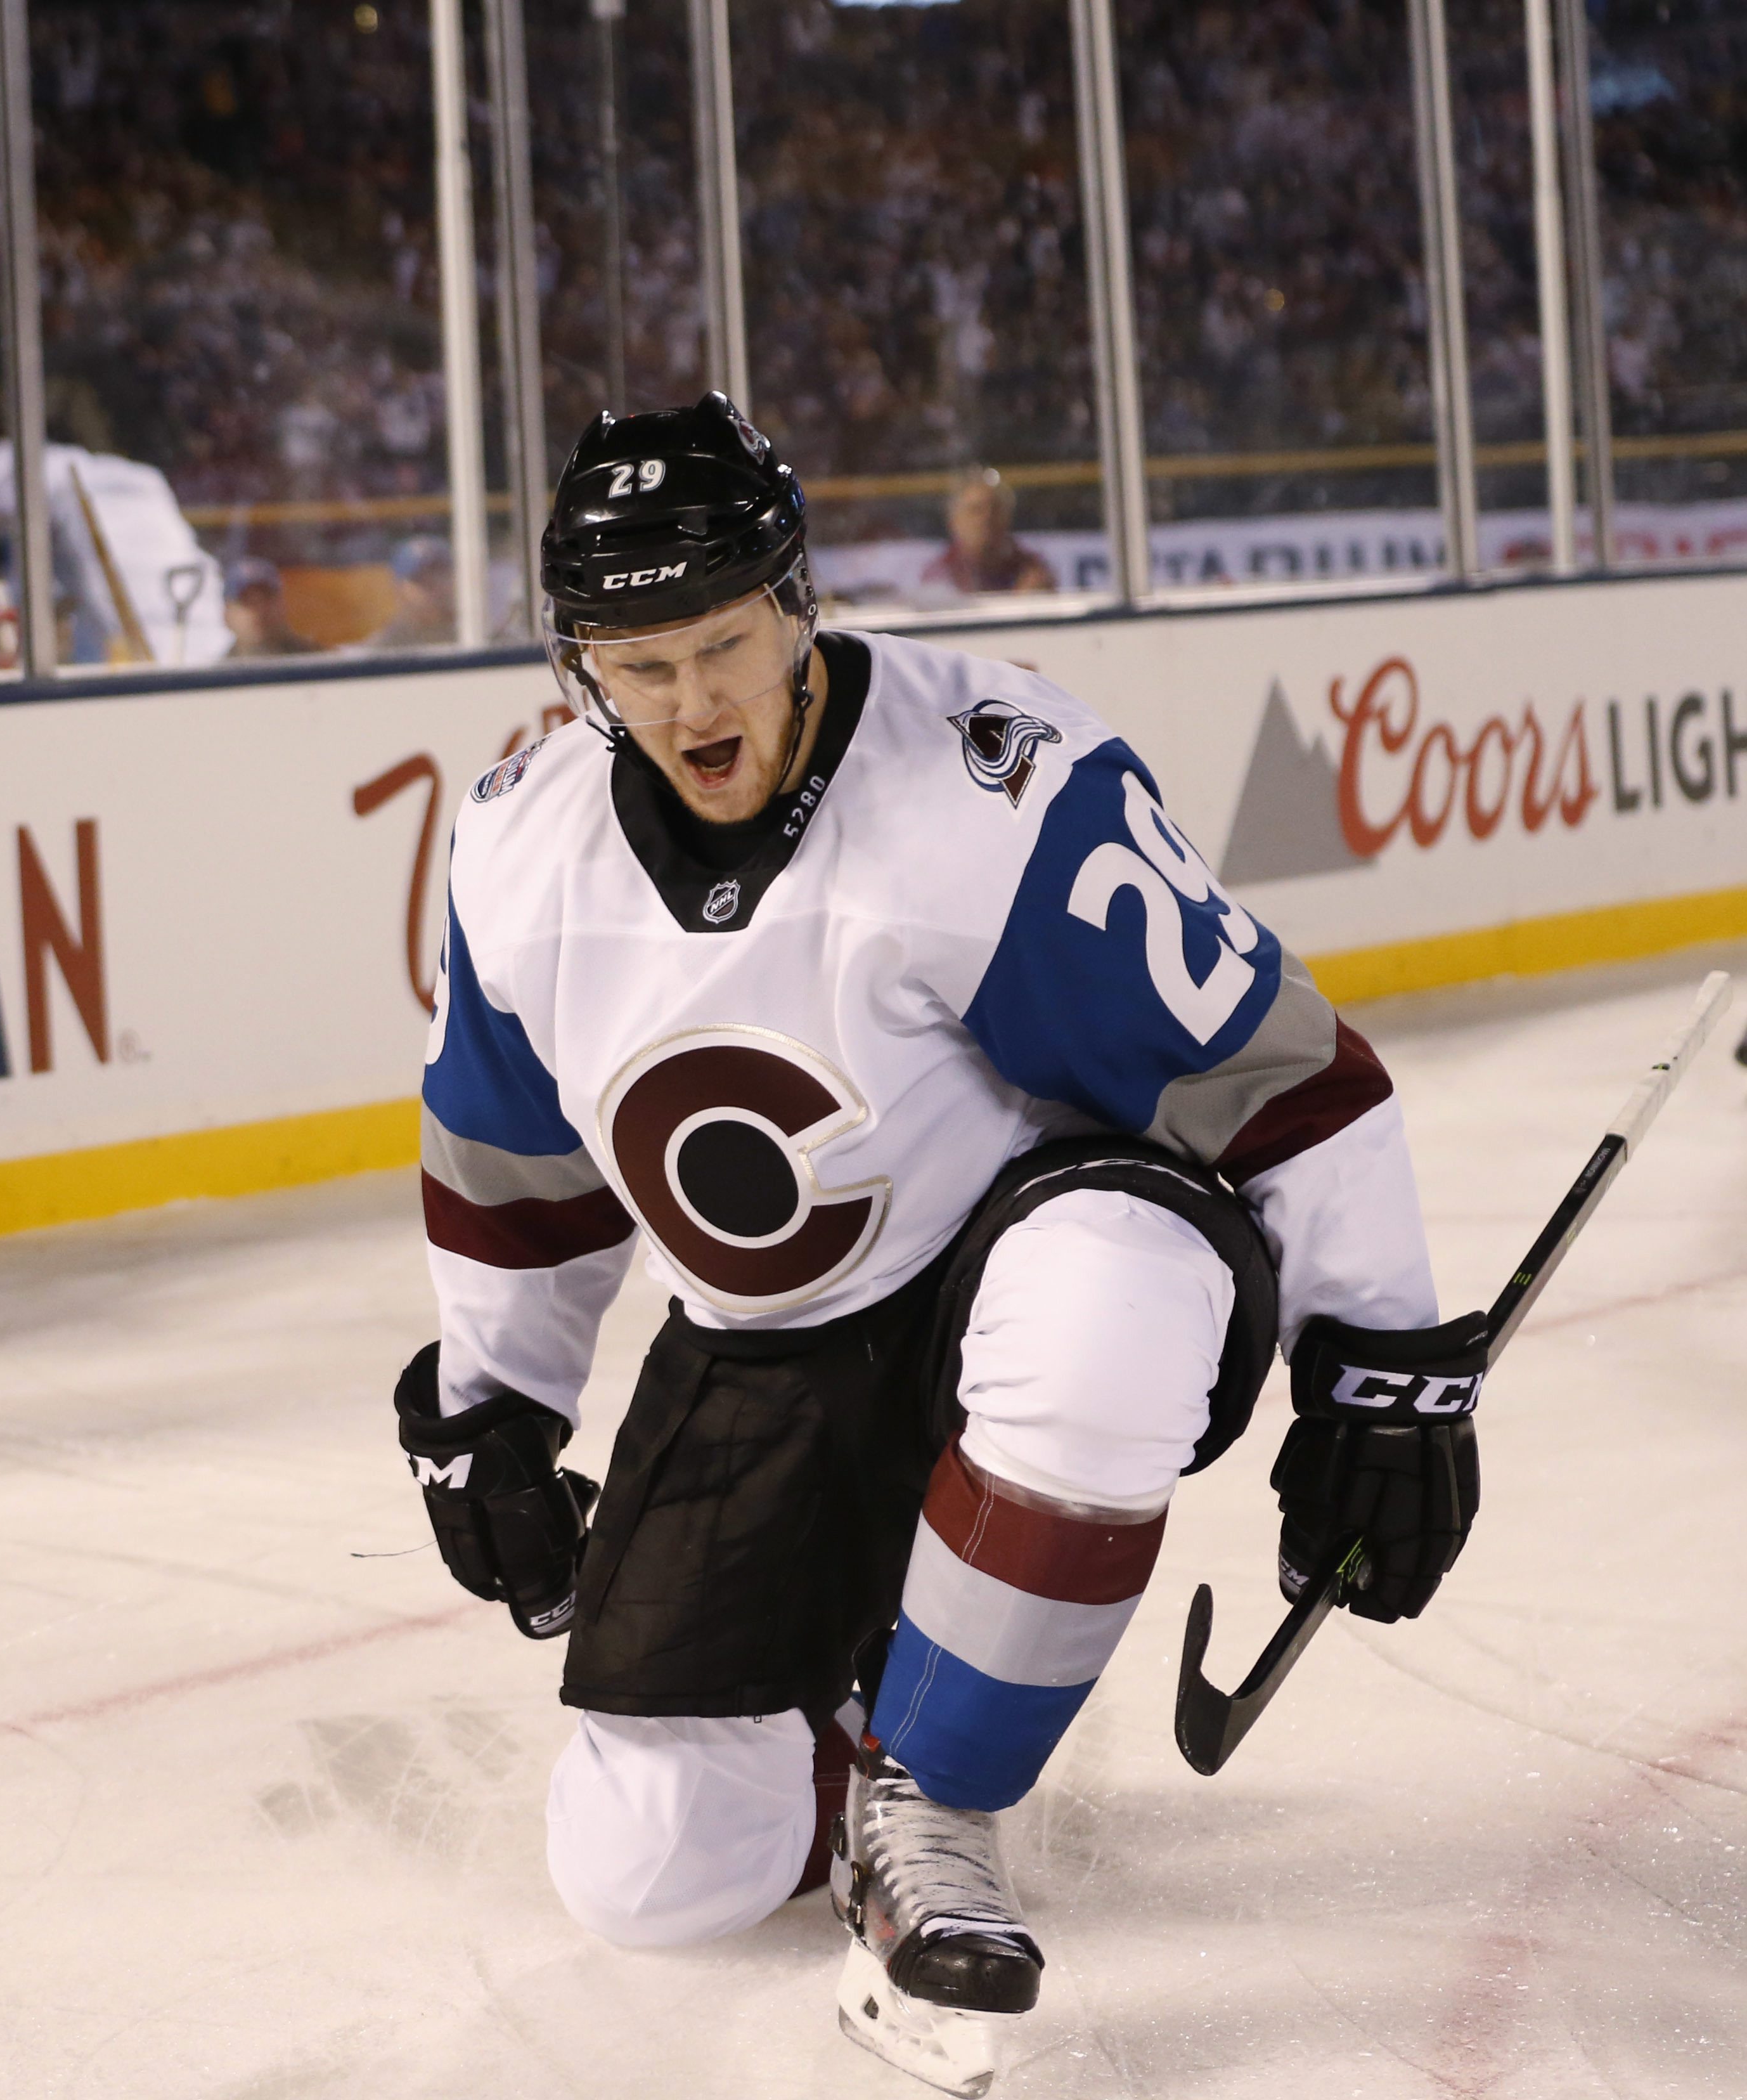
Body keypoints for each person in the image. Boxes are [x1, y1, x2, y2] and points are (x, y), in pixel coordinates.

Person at [396, 395, 1479, 2092]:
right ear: (575, 666)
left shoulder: (991, 785)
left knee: (1102, 1309)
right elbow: (508, 1170)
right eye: (641, 662)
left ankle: (933, 1811)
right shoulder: (522, 843)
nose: (692, 702)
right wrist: (491, 1413)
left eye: (726, 646)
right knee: (656, 1881)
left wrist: (1380, 1373)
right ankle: (861, 1697)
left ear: (798, 603)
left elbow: (1282, 1086)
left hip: (1037, 1257)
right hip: (767, 1346)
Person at [919, 465, 1057, 596]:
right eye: (976, 510)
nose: (986, 518)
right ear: (954, 521)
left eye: (995, 509)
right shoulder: (941, 576)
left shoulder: (1031, 569)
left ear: (1007, 517)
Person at [361, 534, 455, 650]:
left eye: (442, 575)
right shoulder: (387, 646)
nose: (435, 587)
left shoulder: (476, 629)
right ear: (400, 590)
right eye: (422, 581)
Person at [219, 556, 318, 658]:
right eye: (246, 602)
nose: (259, 611)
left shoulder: (318, 662)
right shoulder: (219, 671)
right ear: (227, 615)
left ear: (281, 605)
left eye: (266, 598)